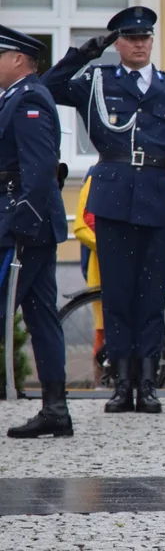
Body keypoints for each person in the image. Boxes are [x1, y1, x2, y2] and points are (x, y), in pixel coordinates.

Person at [42, 6, 165, 414]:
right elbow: (47, 86)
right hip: (112, 199)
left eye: (145, 37)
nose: (140, 44)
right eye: (130, 38)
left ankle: (147, 385)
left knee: (149, 296)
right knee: (117, 295)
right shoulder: (96, 81)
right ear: (118, 43)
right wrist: (85, 54)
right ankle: (121, 383)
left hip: (158, 198)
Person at [0, 25, 72, 438]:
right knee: (43, 317)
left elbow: (40, 167)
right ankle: (55, 408)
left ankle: (56, 407)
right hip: (27, 225)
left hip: (24, 226)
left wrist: (24, 224)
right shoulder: (15, 97)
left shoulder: (28, 97)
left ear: (17, 59)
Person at [72, 167, 106, 388]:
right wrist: (109, 246)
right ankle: (101, 383)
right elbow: (81, 226)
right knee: (103, 333)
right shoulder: (95, 176)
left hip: (127, 267)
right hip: (101, 269)